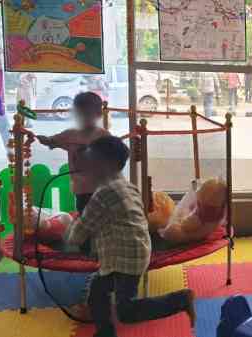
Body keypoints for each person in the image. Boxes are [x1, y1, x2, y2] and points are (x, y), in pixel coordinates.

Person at [65, 136, 195, 337]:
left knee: (126, 311)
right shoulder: (128, 187)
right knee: (97, 294)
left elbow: (80, 230)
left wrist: (70, 233)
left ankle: (180, 300)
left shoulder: (103, 194)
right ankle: (105, 333)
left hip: (125, 260)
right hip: (133, 252)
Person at [37, 92, 110, 214]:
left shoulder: (104, 136)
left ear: (98, 114)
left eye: (88, 114)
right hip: (81, 189)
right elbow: (51, 141)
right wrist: (44, 139)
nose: (85, 118)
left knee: (102, 219)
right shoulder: (70, 135)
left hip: (102, 189)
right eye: (81, 114)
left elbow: (117, 156)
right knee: (84, 217)